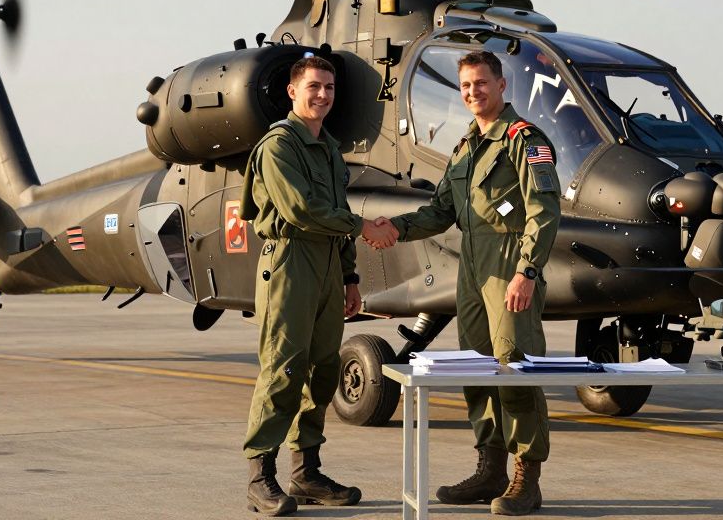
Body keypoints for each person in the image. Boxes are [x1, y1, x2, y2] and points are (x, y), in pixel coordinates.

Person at [382, 50, 561, 516]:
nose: (472, 92)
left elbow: (543, 213)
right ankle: (490, 469)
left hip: (509, 265)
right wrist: (393, 228)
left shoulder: (525, 140)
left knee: (515, 366)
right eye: (465, 86)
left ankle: (527, 477)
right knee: (477, 367)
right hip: (472, 267)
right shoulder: (465, 147)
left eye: (481, 83)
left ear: (502, 87)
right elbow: (440, 211)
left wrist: (527, 271)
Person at [239, 55, 396, 516]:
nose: (323, 95)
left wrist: (349, 276)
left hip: (327, 266)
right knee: (283, 369)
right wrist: (365, 225)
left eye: (329, 88)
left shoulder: (328, 148)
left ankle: (305, 471)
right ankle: (259, 477)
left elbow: (334, 219)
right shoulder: (278, 146)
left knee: (322, 370)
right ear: (293, 91)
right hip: (289, 261)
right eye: (314, 87)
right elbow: (302, 211)